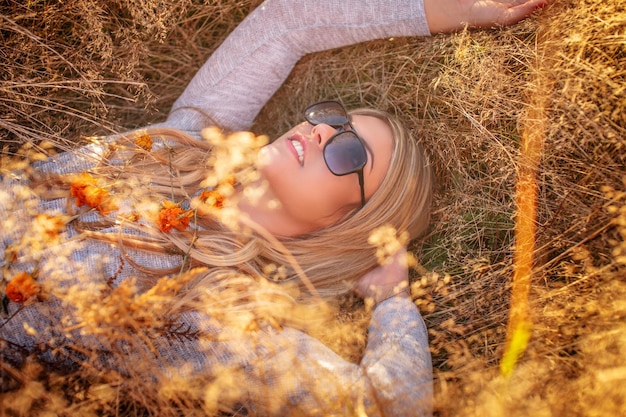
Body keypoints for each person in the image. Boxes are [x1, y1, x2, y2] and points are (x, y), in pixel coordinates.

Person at [0, 1, 547, 415]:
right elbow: (286, 22)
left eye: (350, 150)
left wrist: (392, 303)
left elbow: (383, 405)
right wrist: (453, 9)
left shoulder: (218, 309)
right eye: (335, 118)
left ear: (347, 223)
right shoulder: (185, 141)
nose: (322, 131)